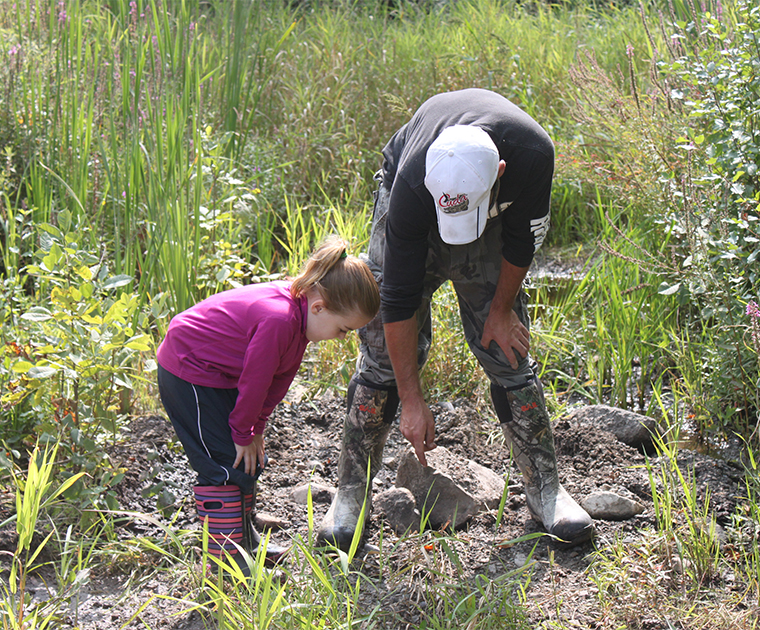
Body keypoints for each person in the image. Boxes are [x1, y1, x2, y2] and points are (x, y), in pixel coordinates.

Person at [316, 88, 594, 550]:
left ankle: (546, 492)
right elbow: (398, 297)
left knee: (507, 349)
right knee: (382, 353)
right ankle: (350, 496)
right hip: (413, 206)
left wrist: (501, 311)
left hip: (494, 220)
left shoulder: (531, 155)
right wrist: (411, 398)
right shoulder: (411, 185)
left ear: (500, 173)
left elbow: (522, 242)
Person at [156, 237, 380, 573]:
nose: (340, 338)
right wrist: (242, 431)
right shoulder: (279, 319)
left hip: (220, 373)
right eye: (343, 329)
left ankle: (245, 537)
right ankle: (228, 561)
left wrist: (255, 429)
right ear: (319, 307)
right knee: (222, 463)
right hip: (190, 371)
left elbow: (277, 382)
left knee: (248, 460)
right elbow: (255, 381)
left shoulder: (301, 321)